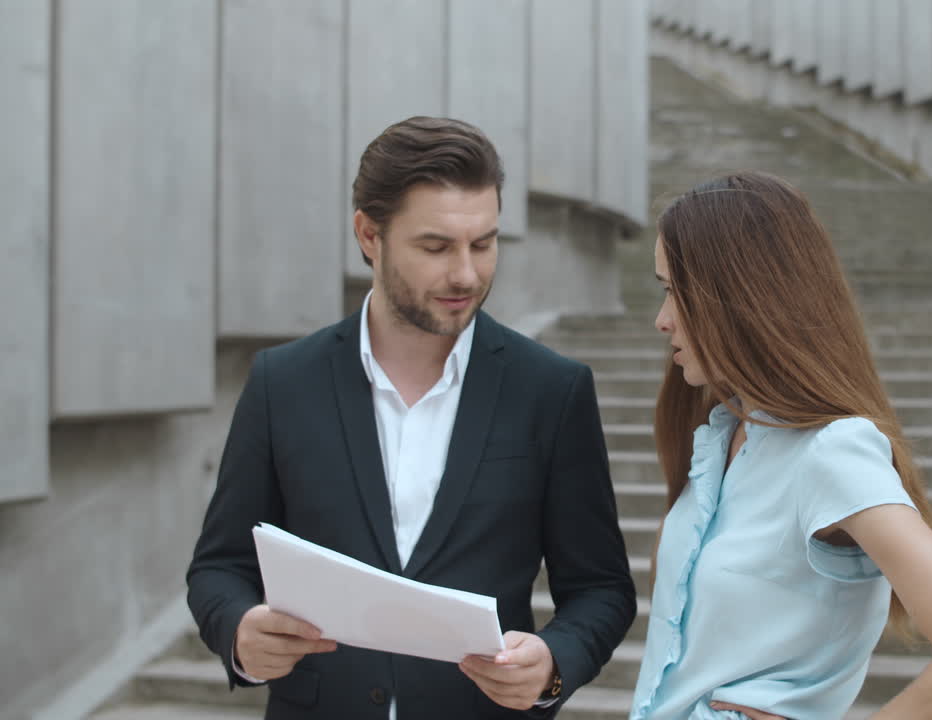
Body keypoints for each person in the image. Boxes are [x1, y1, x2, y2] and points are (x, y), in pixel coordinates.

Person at [187, 116, 636, 719]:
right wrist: (240, 631)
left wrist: (555, 662)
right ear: (369, 235)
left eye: (484, 243)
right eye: (436, 247)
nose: (467, 274)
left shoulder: (552, 390)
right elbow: (219, 566)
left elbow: (602, 589)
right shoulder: (282, 382)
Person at [631, 171, 932, 720]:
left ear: (739, 299)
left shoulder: (831, 451)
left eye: (676, 291)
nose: (662, 320)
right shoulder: (721, 437)